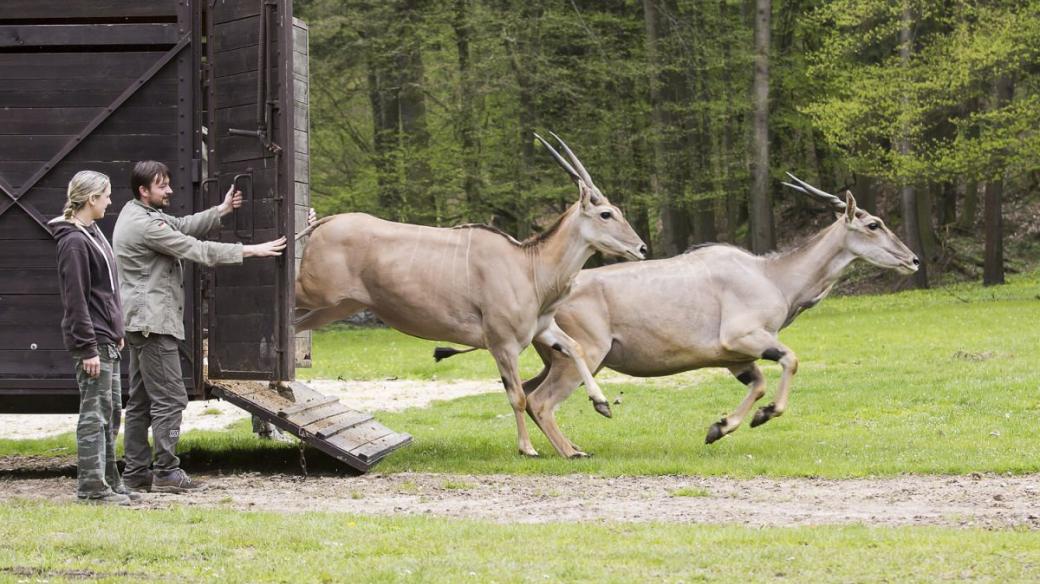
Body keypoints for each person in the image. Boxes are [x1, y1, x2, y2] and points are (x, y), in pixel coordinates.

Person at [113, 161, 286, 493]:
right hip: (154, 326)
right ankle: (166, 471)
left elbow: (181, 225)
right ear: (143, 191)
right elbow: (196, 249)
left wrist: (220, 210)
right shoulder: (146, 226)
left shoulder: (137, 213)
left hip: (140, 322)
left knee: (141, 400)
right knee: (172, 399)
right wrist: (250, 250)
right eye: (162, 186)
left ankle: (136, 471)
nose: (170, 190)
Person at [49, 170, 136, 505]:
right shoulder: (73, 241)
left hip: (107, 339)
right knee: (94, 415)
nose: (110, 201)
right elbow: (76, 299)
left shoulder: (93, 232)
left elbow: (106, 291)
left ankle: (110, 481)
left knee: (111, 413)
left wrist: (117, 332)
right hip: (93, 343)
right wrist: (88, 348)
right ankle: (91, 488)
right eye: (106, 196)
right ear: (91, 199)